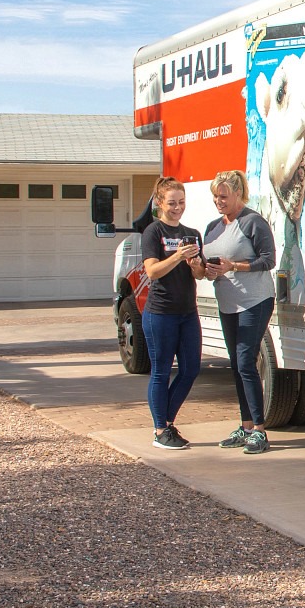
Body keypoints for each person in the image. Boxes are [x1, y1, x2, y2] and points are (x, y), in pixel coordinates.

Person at [202, 170, 280, 455]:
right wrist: (207, 270)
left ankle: (259, 430)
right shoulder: (213, 226)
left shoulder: (253, 222)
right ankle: (245, 426)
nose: (218, 201)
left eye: (223, 196)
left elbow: (268, 260)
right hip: (228, 303)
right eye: (215, 196)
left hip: (255, 301)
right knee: (235, 363)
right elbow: (206, 261)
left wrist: (233, 266)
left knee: (246, 361)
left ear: (238, 194)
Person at [140, 177, 205, 450]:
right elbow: (152, 271)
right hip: (160, 313)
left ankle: (166, 422)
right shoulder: (153, 232)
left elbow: (200, 275)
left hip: (187, 312)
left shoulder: (192, 232)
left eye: (181, 202)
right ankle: (160, 430)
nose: (177, 208)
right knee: (161, 371)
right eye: (171, 203)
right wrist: (177, 256)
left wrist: (194, 263)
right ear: (159, 203)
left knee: (191, 369)